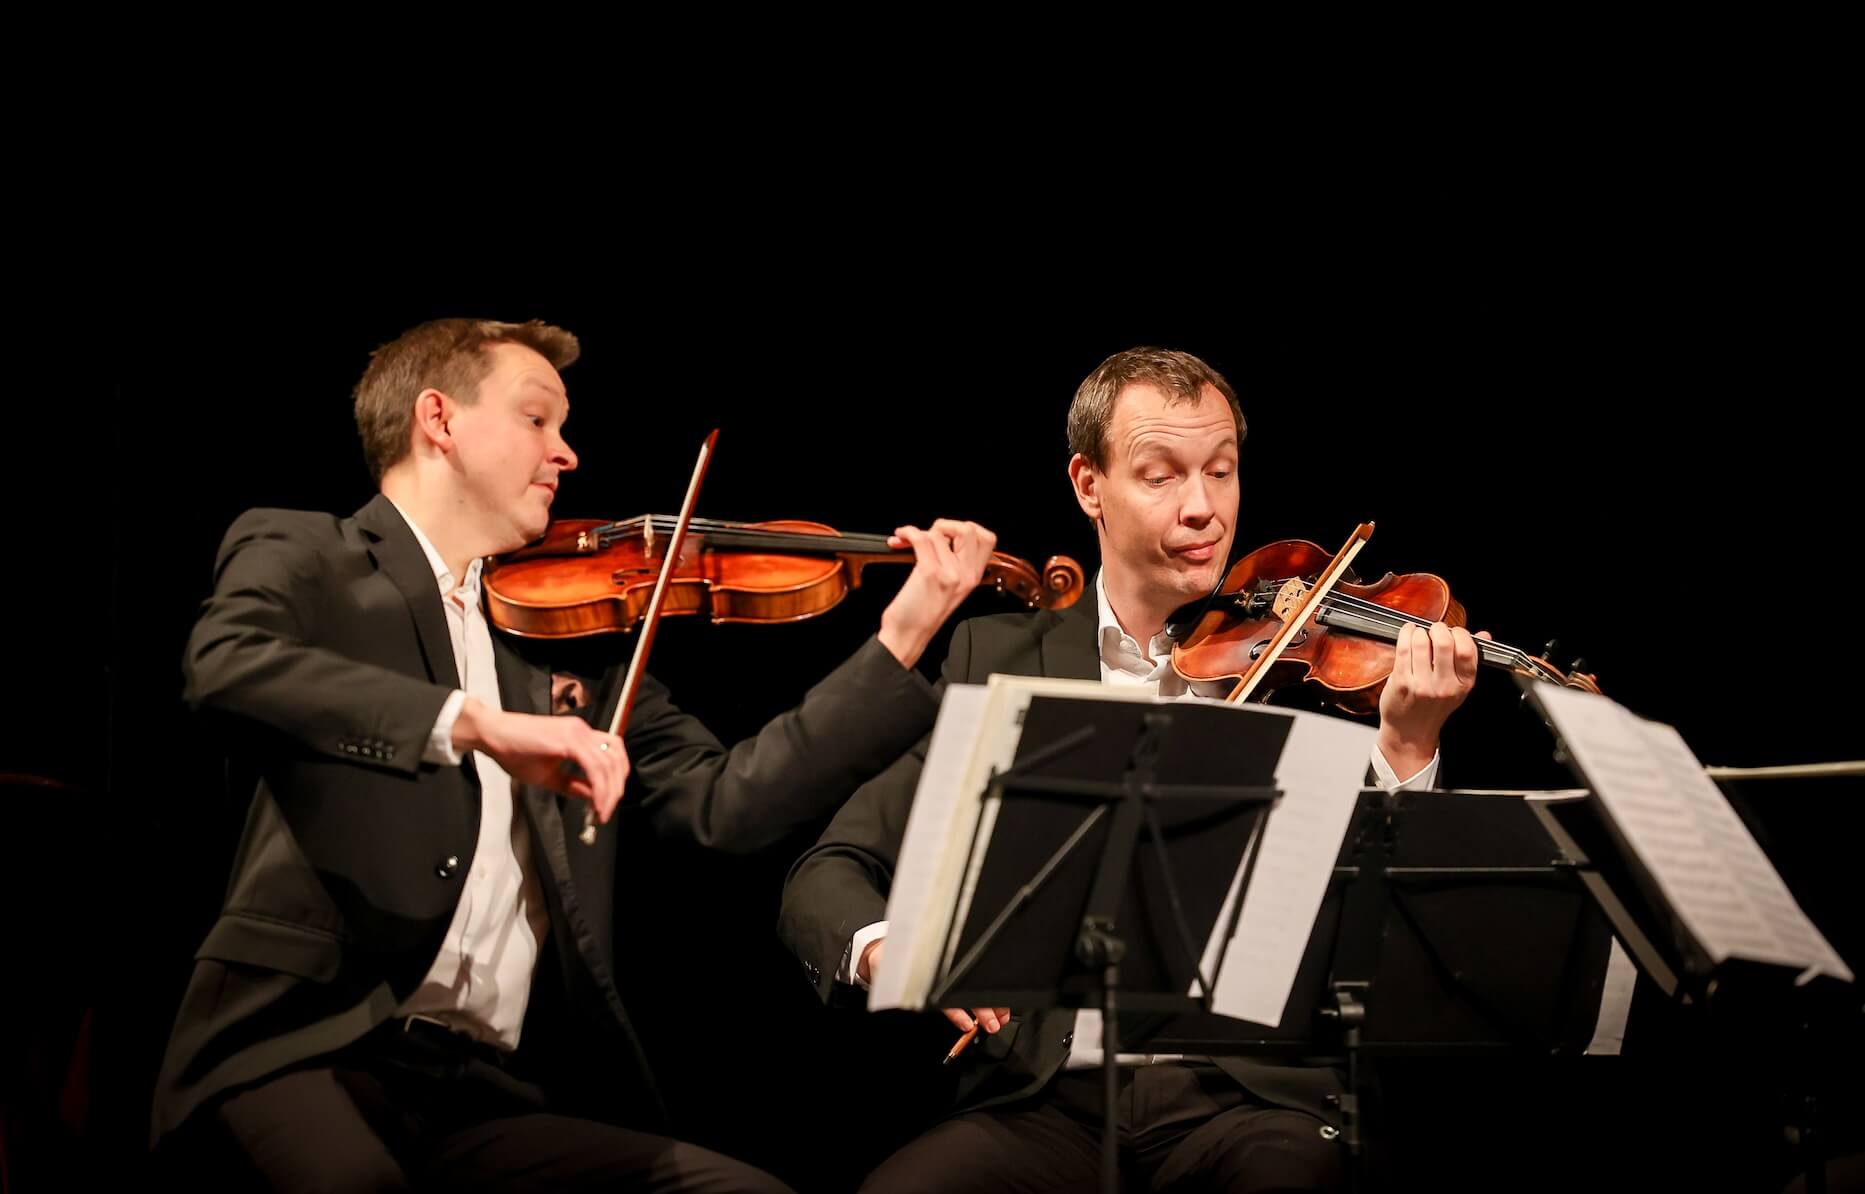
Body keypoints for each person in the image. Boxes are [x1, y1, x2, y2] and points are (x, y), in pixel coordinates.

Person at [152, 316, 998, 1191]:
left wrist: (903, 635)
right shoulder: (315, 557)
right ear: (439, 420)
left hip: (478, 1094)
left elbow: (730, 804)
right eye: (536, 420)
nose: (567, 453)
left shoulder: (563, 649)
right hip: (301, 1052)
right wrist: (476, 724)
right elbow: (227, 666)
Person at [778, 346, 1487, 1192]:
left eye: (1221, 471)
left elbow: (1385, 926)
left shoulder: (1308, 665)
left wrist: (1406, 746)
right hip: (1046, 1106)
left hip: (1252, 1100)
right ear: (1089, 485)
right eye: (1161, 475)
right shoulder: (994, 658)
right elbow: (829, 870)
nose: (1204, 509)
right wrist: (889, 947)